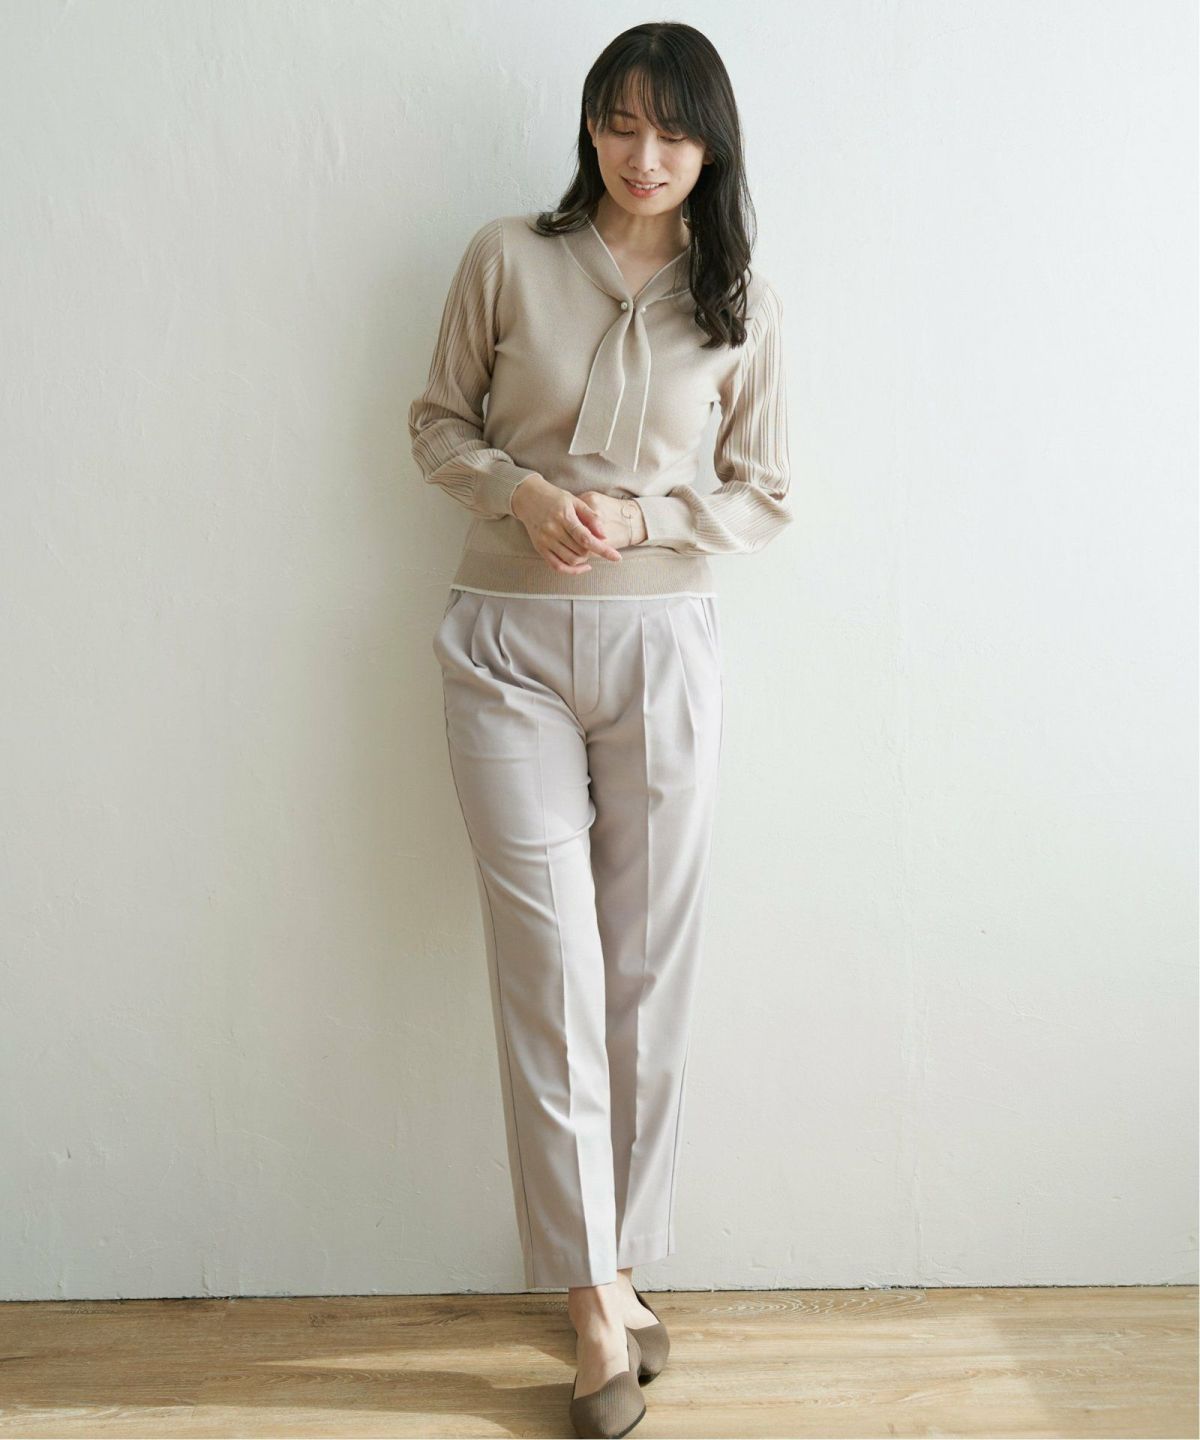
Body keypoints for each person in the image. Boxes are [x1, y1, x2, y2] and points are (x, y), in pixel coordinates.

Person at [408, 21, 793, 1438]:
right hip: (505, 645)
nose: (644, 155)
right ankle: (588, 1307)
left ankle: (622, 1265)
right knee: (552, 964)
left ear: (710, 150)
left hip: (663, 649)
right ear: (589, 127)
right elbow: (436, 423)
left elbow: (766, 492)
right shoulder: (506, 256)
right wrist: (519, 493)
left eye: (674, 134)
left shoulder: (736, 298)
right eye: (622, 124)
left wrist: (645, 518)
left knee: (646, 969)